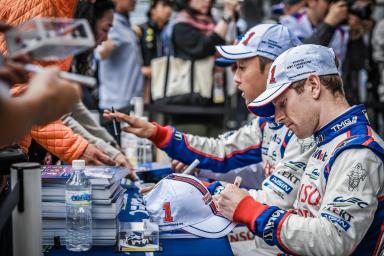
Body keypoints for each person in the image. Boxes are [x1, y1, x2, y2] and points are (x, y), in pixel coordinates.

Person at [104, 24, 315, 254]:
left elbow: (274, 200)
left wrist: (196, 189)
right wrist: (158, 134)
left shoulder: (304, 125)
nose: (235, 78)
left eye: (242, 67)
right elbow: (222, 151)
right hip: (270, 239)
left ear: (276, 70)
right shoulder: (268, 121)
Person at [217, 44, 384, 255]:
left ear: (313, 85)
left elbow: (334, 239)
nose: (277, 117)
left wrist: (249, 210)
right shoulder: (326, 139)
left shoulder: (357, 151)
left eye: (282, 103)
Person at [0, 0, 118, 166]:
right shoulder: (40, 5)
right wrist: (76, 148)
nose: (105, 38)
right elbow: (20, 95)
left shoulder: (61, 8)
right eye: (105, 29)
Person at [97, 0, 144, 136]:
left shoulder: (124, 23)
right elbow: (99, 51)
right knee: (117, 151)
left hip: (129, 102)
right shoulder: (113, 23)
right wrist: (104, 48)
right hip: (116, 104)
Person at [280, 0, 349, 64]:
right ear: (311, 1)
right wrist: (329, 23)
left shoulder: (341, 32)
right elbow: (300, 55)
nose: (333, 8)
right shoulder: (289, 22)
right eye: (329, 1)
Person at [138, 0, 173, 103]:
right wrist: (142, 70)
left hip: (166, 86)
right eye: (164, 5)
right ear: (152, 9)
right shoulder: (140, 30)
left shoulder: (171, 30)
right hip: (145, 87)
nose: (169, 10)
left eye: (170, 6)